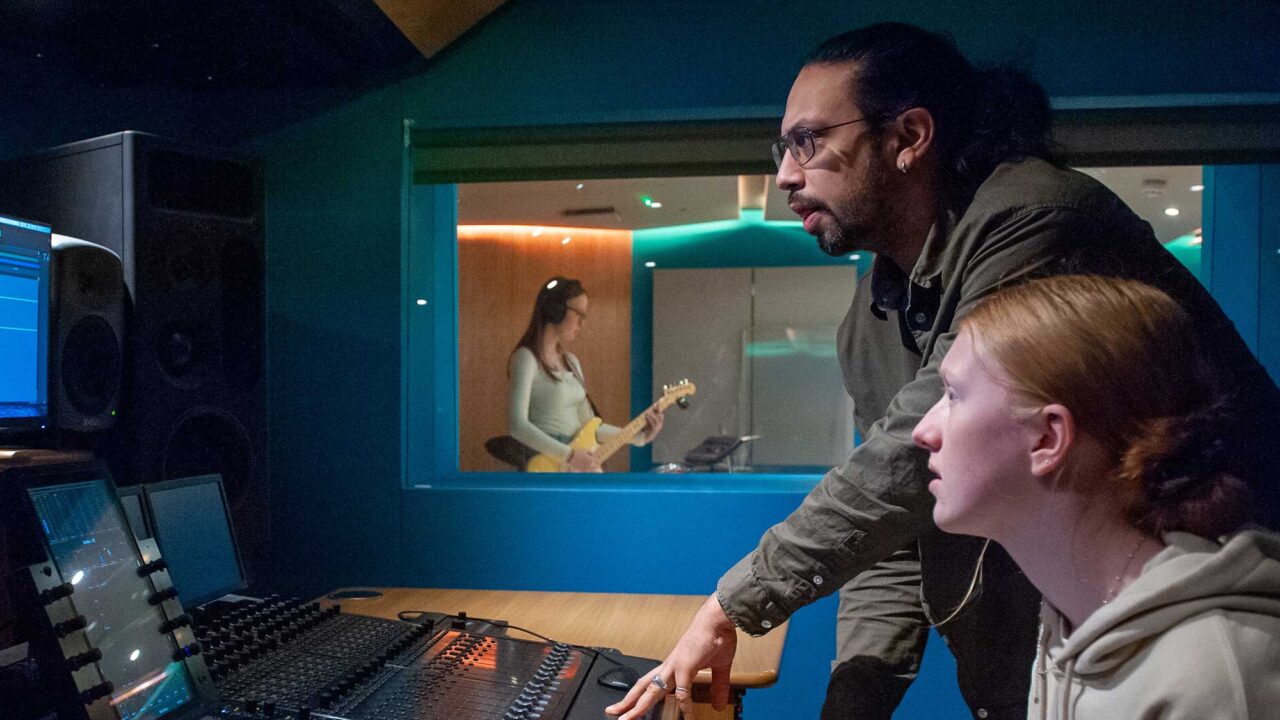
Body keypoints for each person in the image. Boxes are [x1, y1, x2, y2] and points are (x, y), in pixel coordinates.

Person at [607, 22, 1280, 720]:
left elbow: (898, 463)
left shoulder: (1033, 217)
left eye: (808, 141)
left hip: (1182, 626)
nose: (785, 175)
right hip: (1052, 654)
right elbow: (892, 523)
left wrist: (732, 603)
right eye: (783, 149)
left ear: (909, 136)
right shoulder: (871, 313)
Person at [912, 275, 1280, 719]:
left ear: (1047, 438)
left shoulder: (1215, 681)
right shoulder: (1071, 618)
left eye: (953, 395)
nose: (923, 431)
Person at [507, 277, 661, 472]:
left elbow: (589, 426)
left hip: (573, 463)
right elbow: (517, 425)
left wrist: (638, 436)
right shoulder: (526, 358)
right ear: (556, 310)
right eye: (578, 314)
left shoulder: (571, 362)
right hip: (545, 466)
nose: (581, 323)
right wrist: (569, 455)